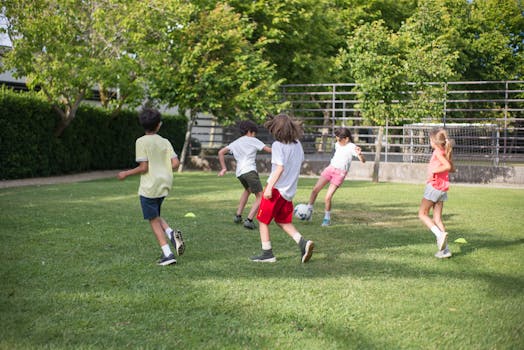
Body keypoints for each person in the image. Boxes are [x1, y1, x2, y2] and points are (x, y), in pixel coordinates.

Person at [117, 108, 185, 266]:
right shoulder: (165, 141)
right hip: (165, 183)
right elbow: (175, 163)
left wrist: (125, 174)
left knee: (152, 220)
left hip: (150, 185)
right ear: (159, 125)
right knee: (155, 214)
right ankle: (170, 233)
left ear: (142, 124)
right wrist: (162, 166)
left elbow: (143, 167)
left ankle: (168, 254)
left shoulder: (141, 141)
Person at [251, 113, 314, 263]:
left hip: (276, 190)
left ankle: (267, 254)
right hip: (289, 192)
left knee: (262, 220)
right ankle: (303, 243)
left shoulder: (277, 146)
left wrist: (268, 188)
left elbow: (279, 168)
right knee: (282, 221)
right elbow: (299, 162)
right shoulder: (297, 144)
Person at [306, 127, 366, 226]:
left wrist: (360, 154)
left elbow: (363, 161)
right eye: (336, 138)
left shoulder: (352, 147)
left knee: (327, 197)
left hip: (340, 173)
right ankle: (308, 211)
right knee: (315, 190)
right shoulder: (337, 144)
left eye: (339, 139)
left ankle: (327, 218)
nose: (337, 141)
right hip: (330, 169)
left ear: (346, 139)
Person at [218, 120, 271, 230]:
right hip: (250, 171)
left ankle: (238, 216)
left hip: (240, 173)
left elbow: (221, 152)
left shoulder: (236, 142)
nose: (254, 135)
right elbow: (269, 150)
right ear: (250, 132)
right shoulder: (253, 140)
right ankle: (249, 220)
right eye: (254, 133)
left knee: (248, 190)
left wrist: (224, 168)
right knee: (261, 197)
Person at [418, 128, 454, 259]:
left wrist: (434, 171)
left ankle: (439, 235)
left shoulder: (438, 152)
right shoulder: (445, 151)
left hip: (434, 187)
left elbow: (448, 167)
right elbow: (452, 167)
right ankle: (445, 250)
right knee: (437, 219)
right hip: (442, 189)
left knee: (422, 214)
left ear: (433, 141)